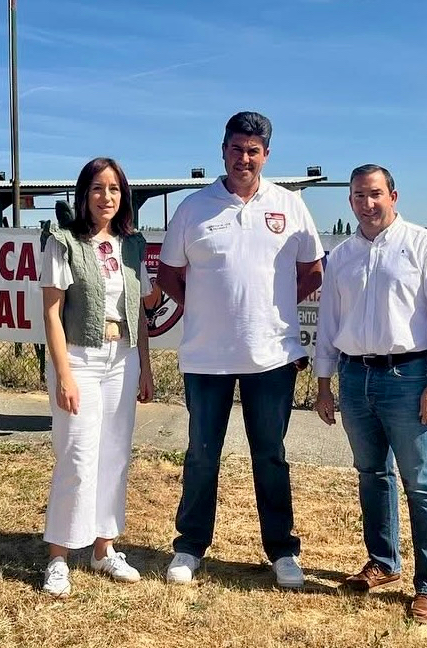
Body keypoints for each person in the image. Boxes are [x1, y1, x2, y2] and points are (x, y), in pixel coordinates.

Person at [157, 111, 324, 588]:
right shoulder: (193, 208)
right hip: (206, 358)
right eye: (236, 149)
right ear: (222, 150)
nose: (243, 158)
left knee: (269, 454)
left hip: (271, 356)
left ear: (266, 155)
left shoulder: (290, 205)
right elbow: (169, 273)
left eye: (253, 151)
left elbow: (313, 269)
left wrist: (272, 310)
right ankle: (189, 547)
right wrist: (202, 307)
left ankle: (282, 550)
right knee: (201, 454)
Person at [314, 164, 427, 624]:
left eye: (375, 194)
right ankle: (383, 562)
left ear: (393, 196)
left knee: (421, 483)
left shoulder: (424, 245)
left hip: (410, 377)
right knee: (371, 475)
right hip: (355, 378)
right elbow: (328, 324)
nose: (367, 203)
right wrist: (324, 383)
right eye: (359, 196)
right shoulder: (341, 256)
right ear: (351, 201)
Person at [39, 157, 155, 598]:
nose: (105, 197)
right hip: (80, 359)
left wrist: (144, 365)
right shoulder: (62, 240)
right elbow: (51, 310)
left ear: (122, 196)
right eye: (96, 189)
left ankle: (104, 548)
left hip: (121, 358)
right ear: (83, 195)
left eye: (113, 189)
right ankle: (59, 557)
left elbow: (140, 312)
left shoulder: (132, 245)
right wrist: (64, 372)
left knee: (114, 456)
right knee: (76, 456)